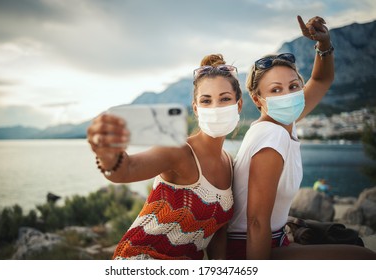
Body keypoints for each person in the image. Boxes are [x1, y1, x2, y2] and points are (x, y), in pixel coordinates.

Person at [226, 15, 376, 259]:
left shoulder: (285, 121)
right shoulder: (272, 136)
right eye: (276, 90)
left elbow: (321, 79)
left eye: (294, 86)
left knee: (352, 245)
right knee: (367, 259)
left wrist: (324, 43)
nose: (288, 95)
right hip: (250, 248)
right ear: (257, 100)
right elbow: (255, 222)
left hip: (276, 237)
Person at [87, 54, 243, 259]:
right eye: (206, 101)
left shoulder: (230, 164)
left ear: (238, 105)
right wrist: (107, 154)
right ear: (196, 109)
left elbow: (217, 233)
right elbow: (126, 170)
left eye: (225, 99)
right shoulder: (177, 150)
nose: (215, 108)